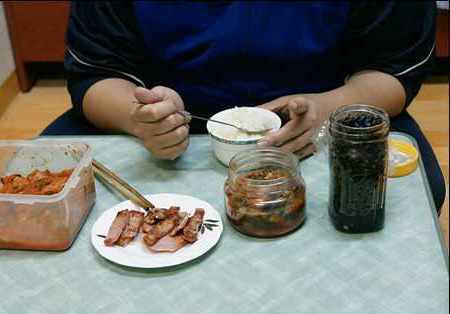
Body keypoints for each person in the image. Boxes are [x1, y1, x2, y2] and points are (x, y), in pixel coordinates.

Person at [41, 1, 445, 214]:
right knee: (43, 182)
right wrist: (139, 115)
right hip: (174, 110)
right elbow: (96, 70)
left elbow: (391, 68)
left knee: (412, 194)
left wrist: (331, 106)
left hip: (321, 110)